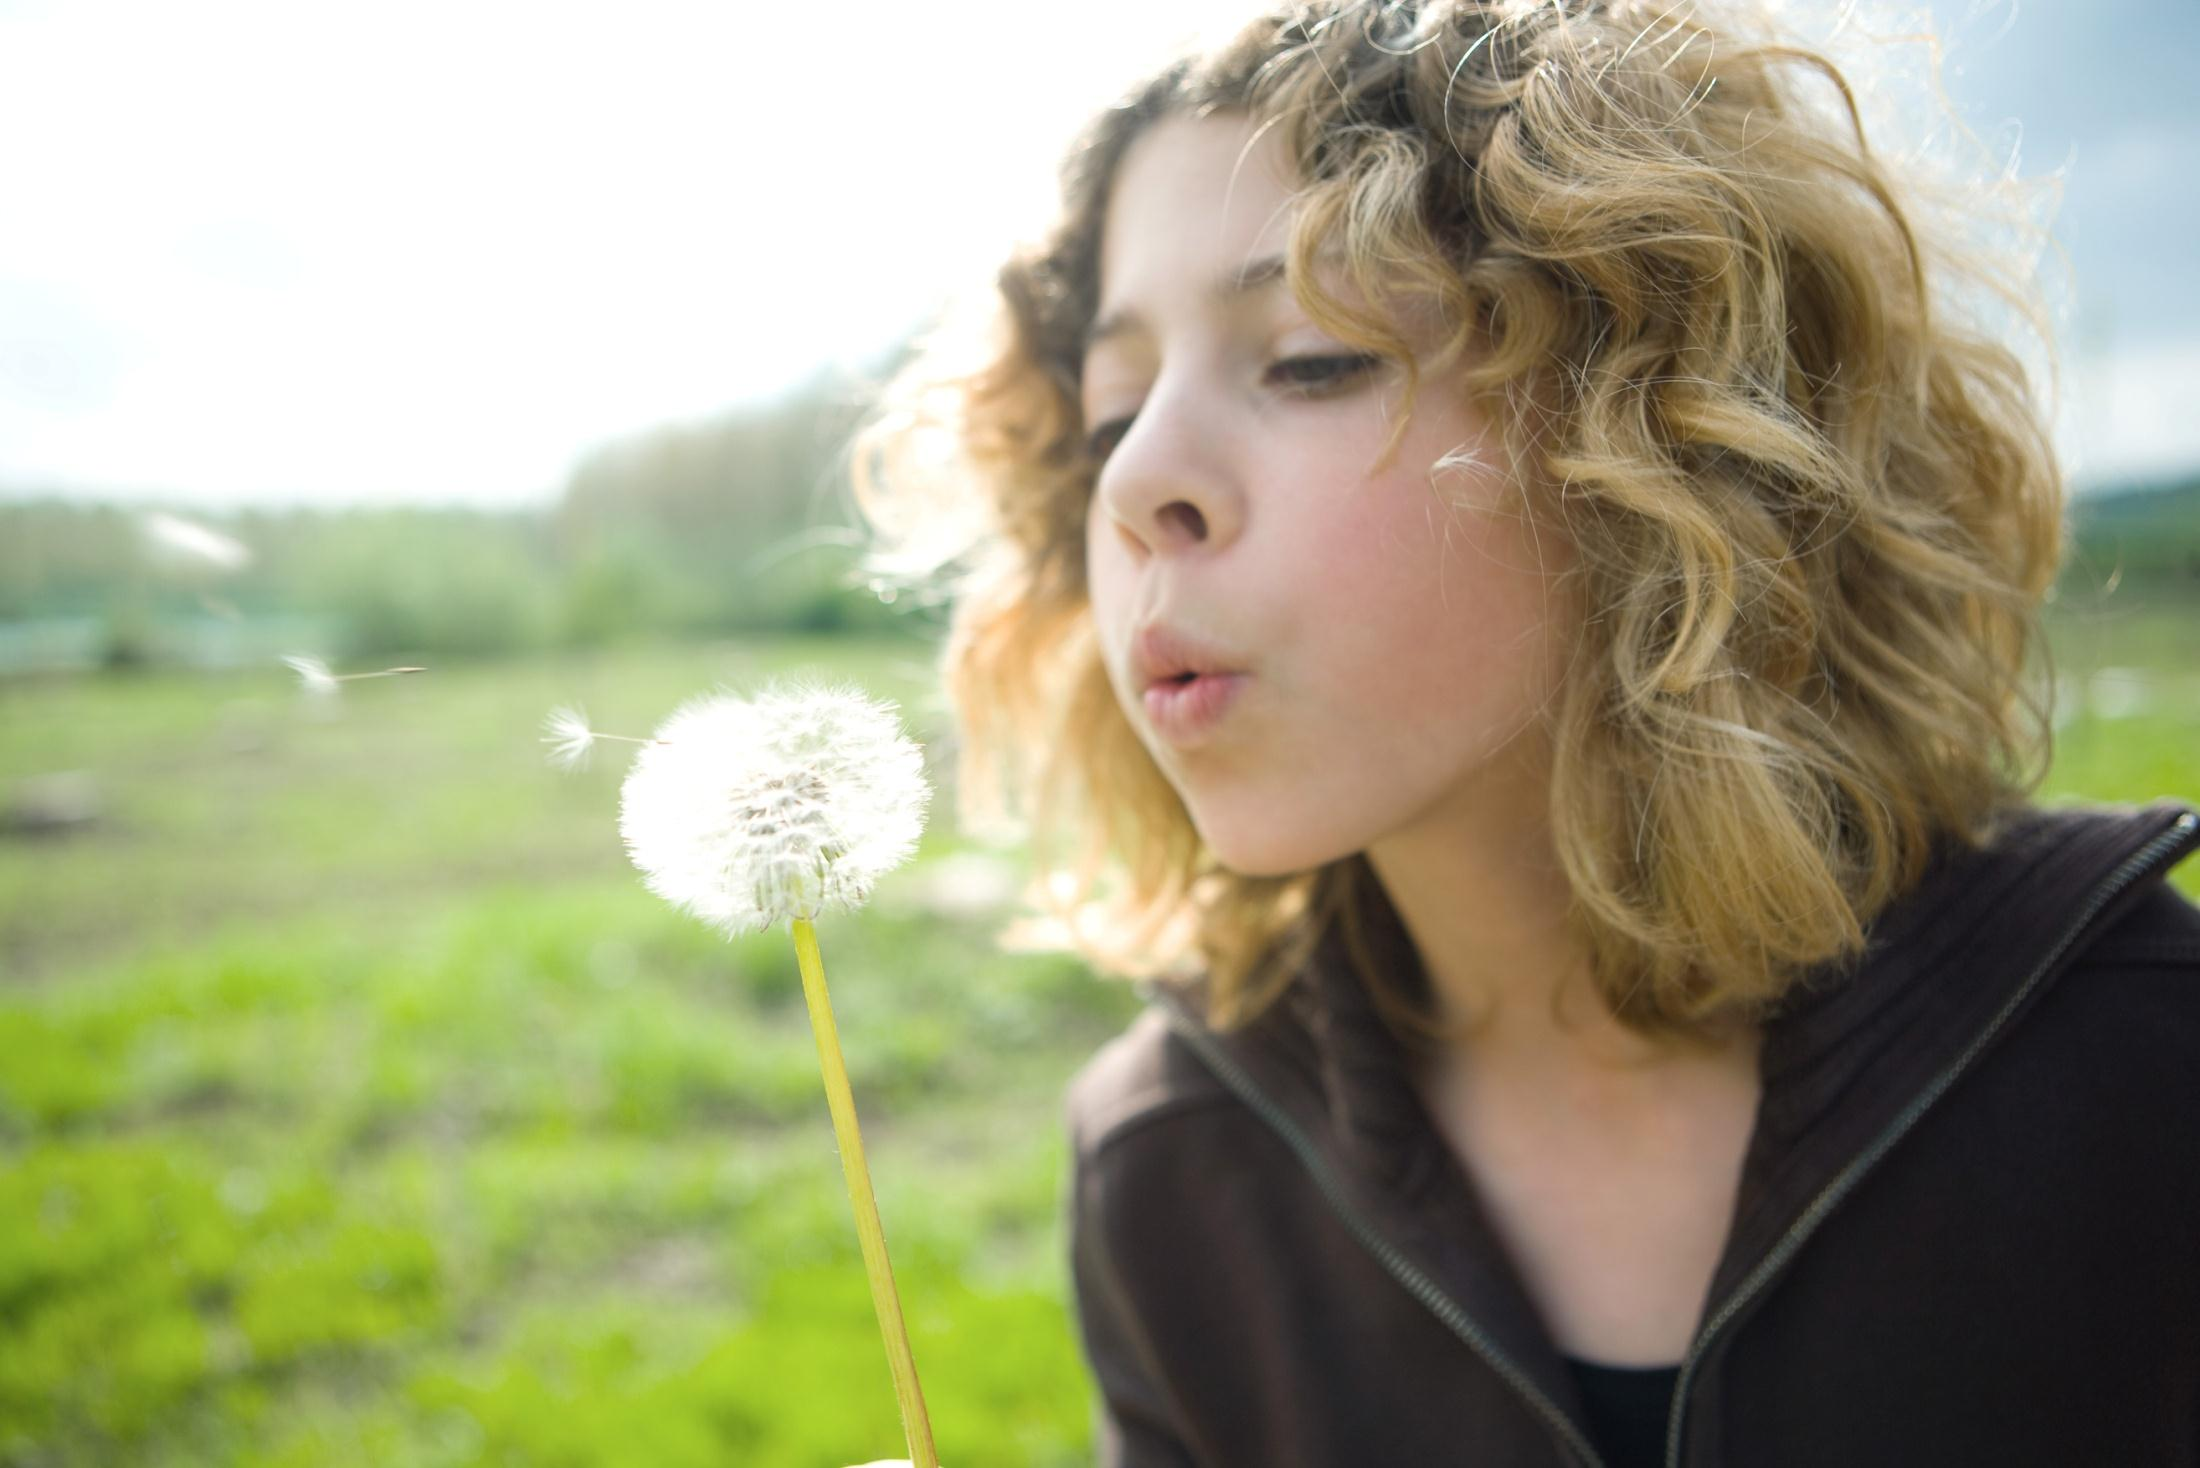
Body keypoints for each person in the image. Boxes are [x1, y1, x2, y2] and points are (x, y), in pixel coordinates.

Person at [851, 2, 2200, 1464]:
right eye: (1113, 413)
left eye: (1309, 356)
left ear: (1665, 425)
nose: (1141, 481)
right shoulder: (1173, 1169)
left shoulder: (2141, 1062)